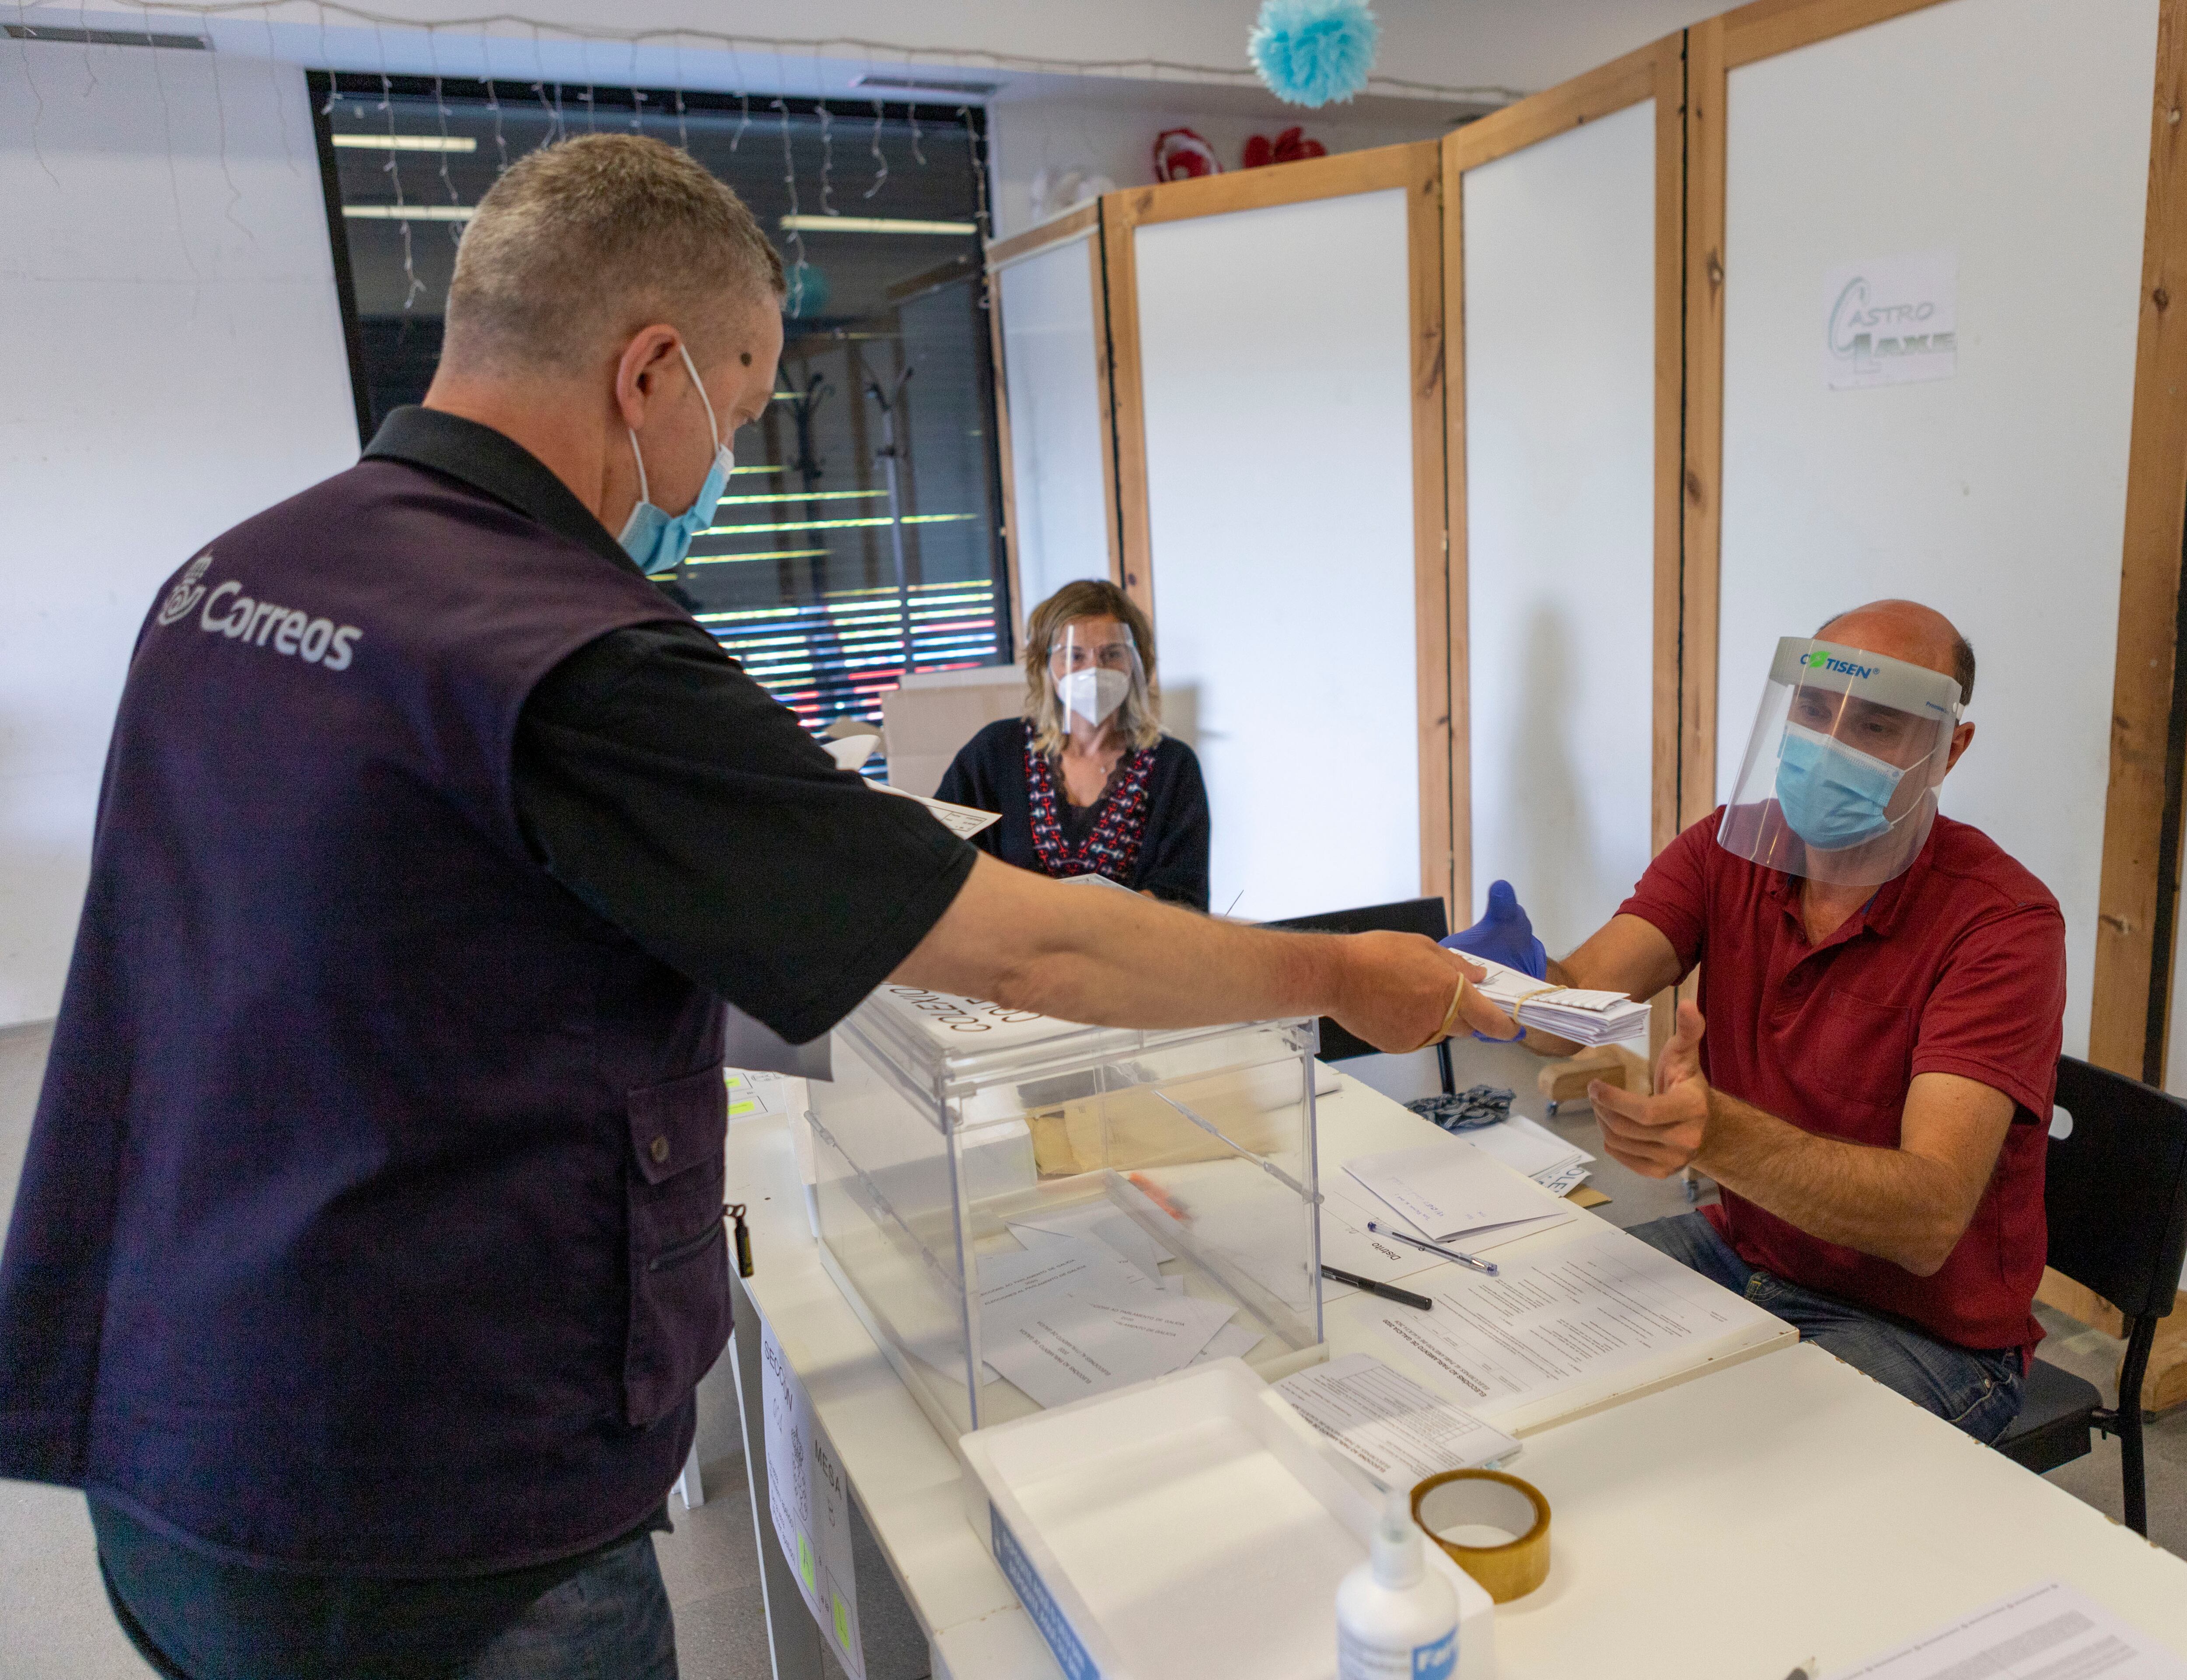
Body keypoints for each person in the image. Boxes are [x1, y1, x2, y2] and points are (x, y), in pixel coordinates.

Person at [0, 135, 1516, 1680]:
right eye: (742, 394)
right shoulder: (571, 649)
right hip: (425, 1512)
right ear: (651, 374)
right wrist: (1333, 969)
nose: (738, 447)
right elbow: (1035, 942)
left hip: (164, 1425)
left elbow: (364, 943)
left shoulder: (232, 577)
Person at [1446, 600, 2065, 1443]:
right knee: (1512, 1344)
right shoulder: (1728, 851)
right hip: (1749, 1251)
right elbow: (1579, 1008)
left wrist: (1715, 1134)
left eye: (1876, 724)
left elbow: (1926, 1222)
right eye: (1813, 711)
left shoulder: (2001, 923)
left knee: (1735, 1469)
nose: (1829, 744)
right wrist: (1518, 986)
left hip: (1923, 1329)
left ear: (1948, 749)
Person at [935, 579, 1210, 907]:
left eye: (1112, 655)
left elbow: (1184, 894)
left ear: (1137, 664)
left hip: (1123, 951)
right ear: (1045, 665)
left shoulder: (1172, 766)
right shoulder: (994, 752)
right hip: (1015, 949)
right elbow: (941, 857)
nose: (1094, 670)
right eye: (1074, 656)